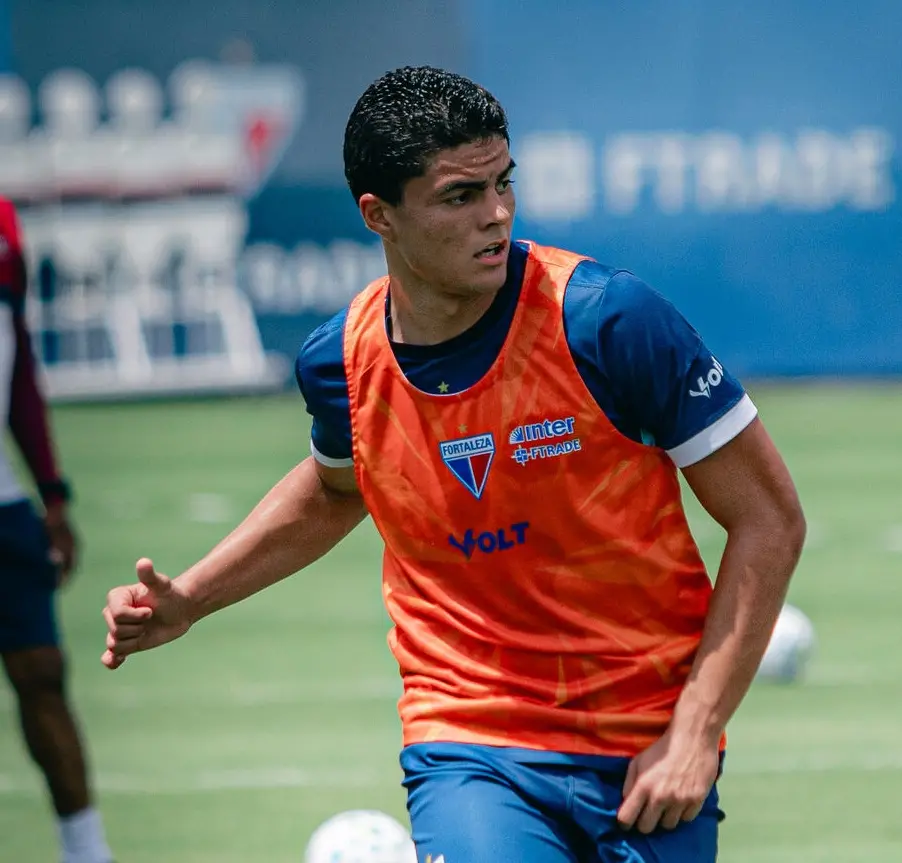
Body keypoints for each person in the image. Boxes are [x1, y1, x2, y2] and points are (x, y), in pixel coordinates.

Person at [100, 66, 807, 861]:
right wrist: (191, 597)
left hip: (646, 735)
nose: (497, 213)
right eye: (459, 196)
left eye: (503, 183)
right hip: (472, 736)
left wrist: (696, 730)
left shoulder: (608, 322)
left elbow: (767, 516)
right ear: (379, 215)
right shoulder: (339, 361)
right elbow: (337, 491)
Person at [0, 196, 114, 863]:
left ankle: (87, 851)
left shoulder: (6, 224)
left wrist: (52, 493)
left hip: (6, 506)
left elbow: (16, 368)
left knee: (44, 673)